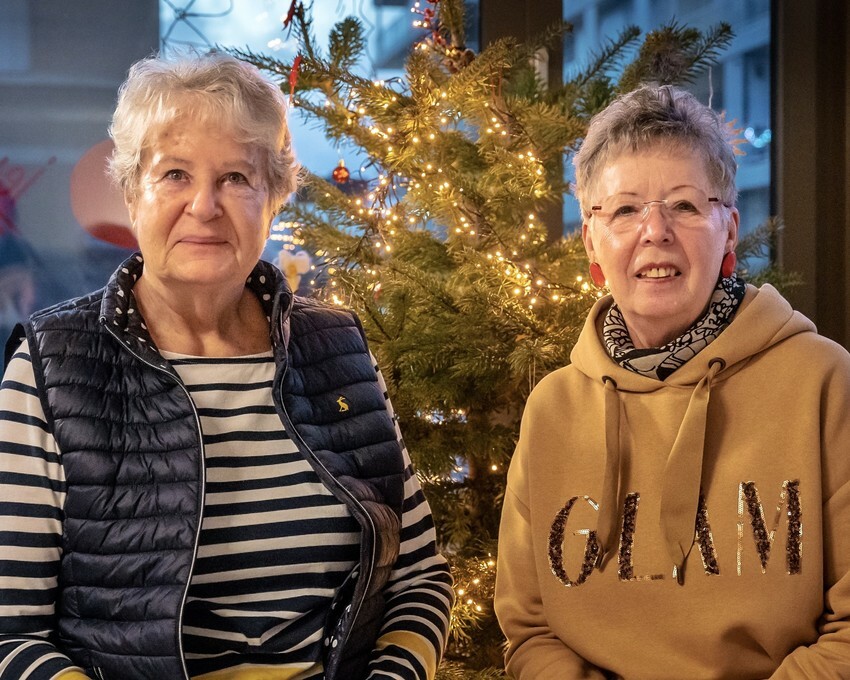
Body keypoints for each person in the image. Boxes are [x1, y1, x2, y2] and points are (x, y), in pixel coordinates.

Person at [0, 51, 453, 680]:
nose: (205, 206)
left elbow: (418, 579)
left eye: (237, 177)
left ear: (275, 197)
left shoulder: (336, 348)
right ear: (132, 194)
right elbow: (10, 632)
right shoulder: (51, 365)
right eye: (175, 174)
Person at [494, 84, 850, 679]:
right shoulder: (552, 407)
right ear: (592, 241)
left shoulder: (822, 381)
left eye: (684, 205)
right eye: (626, 208)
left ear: (729, 230)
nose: (654, 230)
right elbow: (530, 632)